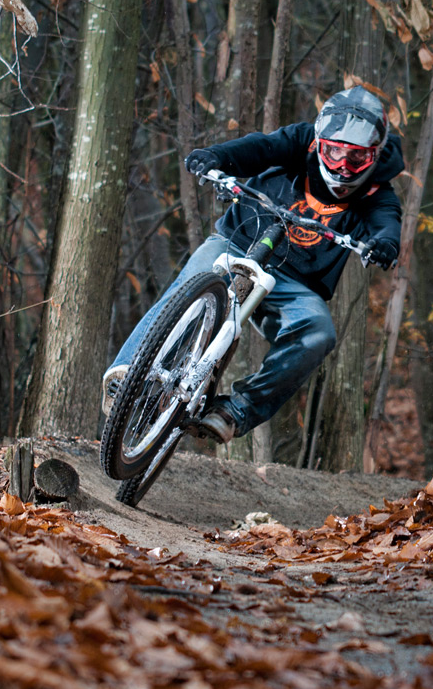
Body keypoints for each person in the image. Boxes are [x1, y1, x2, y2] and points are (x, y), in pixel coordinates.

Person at [102, 86, 403, 443]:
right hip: (237, 242)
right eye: (333, 151)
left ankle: (235, 411)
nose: (341, 165)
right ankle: (129, 373)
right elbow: (260, 148)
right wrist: (216, 157)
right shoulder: (301, 141)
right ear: (319, 142)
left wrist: (384, 244)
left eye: (356, 158)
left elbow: (386, 222)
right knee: (190, 283)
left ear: (375, 155)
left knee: (318, 333)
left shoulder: (377, 191)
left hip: (296, 283)